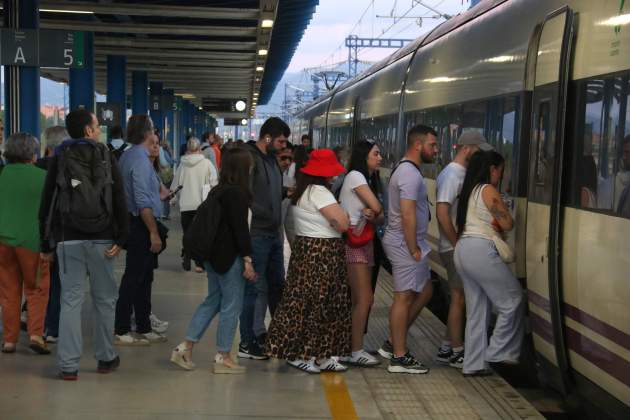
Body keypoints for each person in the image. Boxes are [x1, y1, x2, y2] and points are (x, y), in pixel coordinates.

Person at [39, 109, 129, 380]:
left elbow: (48, 202)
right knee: (104, 299)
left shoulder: (60, 157)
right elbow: (119, 197)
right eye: (96, 123)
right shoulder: (106, 155)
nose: (99, 126)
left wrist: (46, 244)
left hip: (68, 239)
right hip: (103, 239)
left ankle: (68, 365)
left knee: (70, 300)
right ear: (89, 131)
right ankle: (105, 357)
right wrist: (121, 237)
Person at [170, 147, 257, 373]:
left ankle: (185, 347)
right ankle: (224, 356)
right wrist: (248, 259)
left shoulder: (218, 190)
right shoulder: (237, 194)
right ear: (242, 169)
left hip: (212, 257)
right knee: (231, 306)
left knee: (213, 301)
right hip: (229, 259)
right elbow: (241, 231)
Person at [266, 149, 351, 373]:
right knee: (318, 306)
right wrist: (343, 218)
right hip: (321, 253)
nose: (334, 176)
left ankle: (320, 354)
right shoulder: (320, 192)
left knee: (308, 304)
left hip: (310, 251)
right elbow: (343, 224)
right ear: (322, 173)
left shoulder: (304, 190)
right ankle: (301, 354)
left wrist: (339, 219)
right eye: (331, 172)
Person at [454, 150, 523, 376]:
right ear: (492, 169)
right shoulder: (488, 189)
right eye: (500, 172)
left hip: (463, 248)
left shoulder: (470, 191)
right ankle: (498, 352)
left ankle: (473, 364)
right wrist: (508, 210)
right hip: (480, 250)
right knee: (512, 299)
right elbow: (507, 224)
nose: (500, 177)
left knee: (477, 310)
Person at [378, 125, 438, 374]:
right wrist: (414, 248)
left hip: (409, 241)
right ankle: (399, 356)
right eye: (432, 145)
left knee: (425, 291)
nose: (436, 149)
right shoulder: (409, 174)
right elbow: (407, 213)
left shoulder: (408, 170)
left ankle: (394, 341)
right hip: (405, 243)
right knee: (403, 297)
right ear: (418, 145)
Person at [435, 132, 493, 368]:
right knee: (459, 298)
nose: (481, 157)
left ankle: (447, 347)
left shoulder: (456, 173)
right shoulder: (453, 174)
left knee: (459, 298)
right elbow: (442, 213)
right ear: (467, 149)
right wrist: (458, 243)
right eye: (478, 151)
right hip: (453, 246)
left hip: (453, 245)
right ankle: (458, 350)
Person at [115, 115, 168, 346]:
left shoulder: (130, 156)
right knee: (135, 277)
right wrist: (153, 232)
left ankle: (144, 325)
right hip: (140, 224)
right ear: (148, 133)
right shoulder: (138, 159)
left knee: (145, 277)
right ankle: (122, 327)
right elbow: (142, 200)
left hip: (135, 221)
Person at [239, 117, 289, 360]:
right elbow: (245, 197)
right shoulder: (250, 159)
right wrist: (264, 212)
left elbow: (271, 193)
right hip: (257, 233)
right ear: (267, 137)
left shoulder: (270, 161)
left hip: (273, 234)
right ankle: (247, 341)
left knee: (277, 285)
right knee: (253, 288)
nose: (282, 146)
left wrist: (287, 193)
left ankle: (277, 337)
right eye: (280, 141)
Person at [0, 133, 51, 355]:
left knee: (9, 291)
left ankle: (9, 340)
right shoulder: (43, 177)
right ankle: (35, 335)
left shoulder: (2, 174)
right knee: (37, 288)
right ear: (32, 153)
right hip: (32, 242)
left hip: (3, 240)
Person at [338, 139, 384, 367]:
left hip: (363, 242)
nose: (380, 158)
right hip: (354, 245)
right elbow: (377, 208)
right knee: (364, 298)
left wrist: (375, 213)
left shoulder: (367, 178)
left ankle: (350, 347)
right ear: (364, 156)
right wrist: (374, 212)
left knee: (359, 299)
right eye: (376, 154)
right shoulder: (356, 176)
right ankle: (355, 350)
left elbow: (379, 215)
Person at [35, 126, 70, 344]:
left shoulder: (35, 167)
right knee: (58, 284)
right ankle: (52, 327)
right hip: (58, 235)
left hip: (32, 236)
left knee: (34, 285)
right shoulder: (66, 170)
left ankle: (34, 326)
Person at [171, 137, 218, 272]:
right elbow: (214, 183)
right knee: (200, 234)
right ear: (199, 149)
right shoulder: (207, 164)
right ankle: (199, 263)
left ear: (187, 149)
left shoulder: (182, 164)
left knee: (187, 232)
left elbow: (176, 184)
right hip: (202, 205)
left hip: (185, 204)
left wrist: (173, 199)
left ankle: (186, 253)